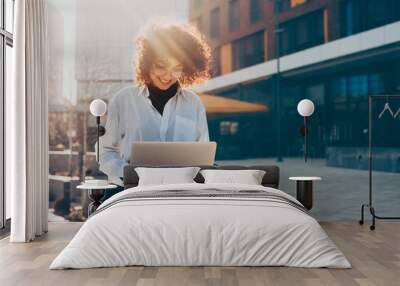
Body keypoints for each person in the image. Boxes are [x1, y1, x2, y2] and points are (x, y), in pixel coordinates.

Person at [96, 22, 212, 200]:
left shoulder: (194, 103)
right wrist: (128, 175)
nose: (167, 76)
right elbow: (105, 151)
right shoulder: (123, 100)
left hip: (182, 192)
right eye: (161, 65)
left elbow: (203, 154)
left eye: (177, 68)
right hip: (131, 191)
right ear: (147, 62)